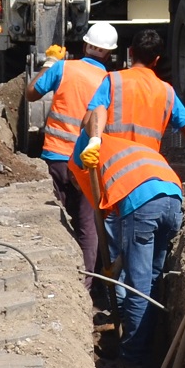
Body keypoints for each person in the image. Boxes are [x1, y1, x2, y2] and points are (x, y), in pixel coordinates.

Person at [76, 26, 185, 367]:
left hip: (120, 184)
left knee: (130, 276)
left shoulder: (113, 82)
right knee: (146, 276)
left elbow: (93, 116)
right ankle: (134, 338)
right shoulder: (166, 91)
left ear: (129, 53)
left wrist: (96, 142)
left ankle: (132, 356)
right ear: (158, 60)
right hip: (161, 180)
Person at [31, 22, 115, 306]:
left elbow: (31, 93)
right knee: (87, 228)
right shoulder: (109, 81)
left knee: (56, 222)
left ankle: (57, 281)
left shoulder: (64, 68)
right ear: (108, 54)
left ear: (85, 45)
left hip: (55, 158)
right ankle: (86, 289)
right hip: (86, 163)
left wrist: (49, 63)